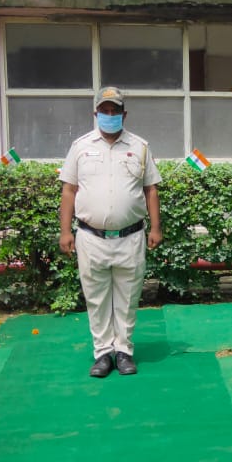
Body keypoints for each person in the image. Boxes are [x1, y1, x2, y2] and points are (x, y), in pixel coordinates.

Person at [59, 86, 164, 378]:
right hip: (90, 237)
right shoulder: (80, 146)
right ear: (95, 113)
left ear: (123, 114)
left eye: (114, 111)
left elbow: (150, 189)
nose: (109, 115)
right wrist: (65, 231)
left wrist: (155, 228)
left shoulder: (140, 146)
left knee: (128, 297)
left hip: (131, 237)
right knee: (96, 298)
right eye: (104, 111)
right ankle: (103, 353)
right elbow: (69, 190)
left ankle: (125, 351)